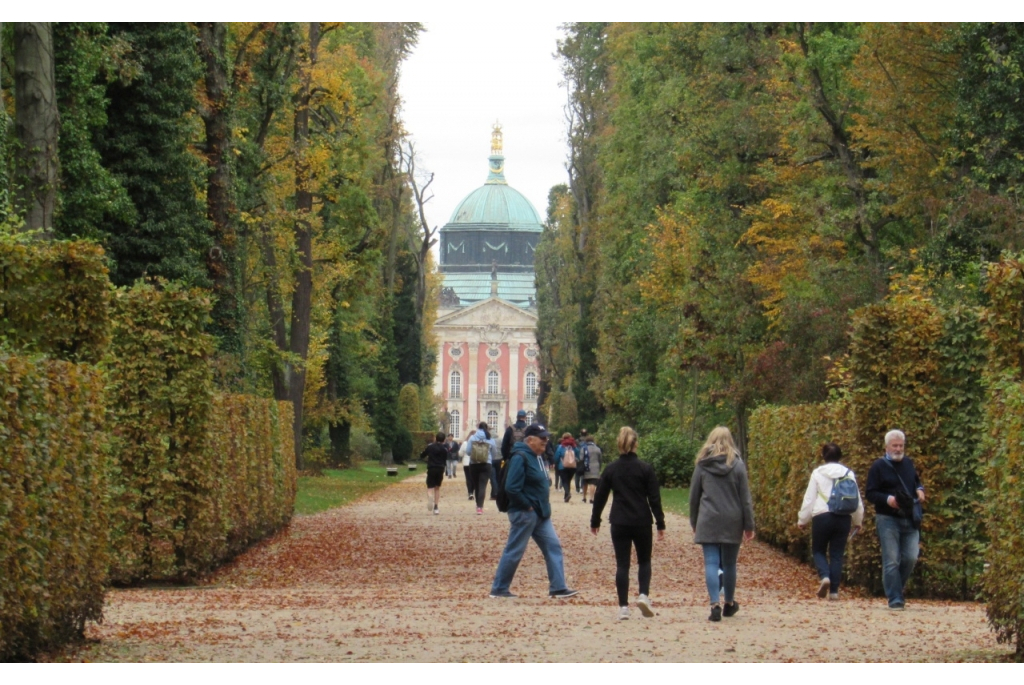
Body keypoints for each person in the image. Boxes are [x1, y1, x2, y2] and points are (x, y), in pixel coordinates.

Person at [489, 423, 579, 600]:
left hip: (540, 513)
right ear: (530, 440)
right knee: (515, 550)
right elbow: (511, 487)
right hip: (525, 513)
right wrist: (527, 505)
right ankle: (499, 588)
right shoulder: (520, 456)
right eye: (542, 438)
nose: (546, 441)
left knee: (553, 546)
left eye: (546, 437)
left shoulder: (537, 456)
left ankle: (558, 587)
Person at [590, 426, 665, 620]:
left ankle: (623, 606)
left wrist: (595, 519)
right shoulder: (645, 469)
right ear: (636, 444)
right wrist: (660, 523)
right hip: (641, 520)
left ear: (619, 445)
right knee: (644, 560)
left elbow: (600, 496)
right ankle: (643, 595)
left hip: (619, 520)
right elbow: (654, 498)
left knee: (622, 564)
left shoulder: (612, 469)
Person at [689, 426, 755, 622]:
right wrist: (749, 524)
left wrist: (694, 521)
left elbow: (694, 496)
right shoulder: (737, 465)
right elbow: (745, 499)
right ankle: (729, 603)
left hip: (708, 518)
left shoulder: (702, 465)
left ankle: (714, 603)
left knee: (710, 562)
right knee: (729, 563)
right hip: (732, 519)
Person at [865, 429, 925, 611]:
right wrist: (887, 499)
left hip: (909, 517)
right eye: (895, 446)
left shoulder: (908, 463)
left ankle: (895, 588)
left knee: (911, 557)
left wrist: (920, 490)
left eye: (901, 445)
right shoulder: (878, 466)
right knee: (891, 559)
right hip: (887, 518)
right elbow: (870, 492)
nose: (898, 449)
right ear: (887, 447)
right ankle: (895, 598)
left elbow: (916, 482)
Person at [797, 443, 864, 599]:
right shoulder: (848, 473)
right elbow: (856, 499)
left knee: (818, 550)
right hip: (843, 517)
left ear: (823, 456)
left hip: (822, 515)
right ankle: (834, 591)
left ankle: (825, 576)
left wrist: (803, 519)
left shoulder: (818, 473)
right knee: (837, 554)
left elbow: (809, 498)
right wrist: (858, 520)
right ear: (840, 456)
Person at [466, 422, 499, 515]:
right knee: (482, 485)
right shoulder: (490, 439)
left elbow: (468, 452)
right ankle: (480, 507)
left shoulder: (472, 437)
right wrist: (490, 458)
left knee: (476, 485)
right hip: (486, 464)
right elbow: (494, 452)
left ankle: (478, 505)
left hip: (474, 464)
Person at [420, 432, 449, 515]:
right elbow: (445, 459)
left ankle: (430, 497)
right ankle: (436, 507)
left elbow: (423, 455)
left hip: (431, 468)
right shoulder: (444, 449)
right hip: (440, 468)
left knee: (430, 487)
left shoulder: (430, 447)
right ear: (444, 440)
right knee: (437, 488)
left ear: (436, 439)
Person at [554, 432, 579, 503]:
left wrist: (556, 462)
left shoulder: (561, 446)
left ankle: (567, 493)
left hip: (563, 466)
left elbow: (557, 456)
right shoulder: (574, 446)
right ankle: (566, 496)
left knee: (564, 480)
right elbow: (578, 453)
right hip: (573, 466)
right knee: (568, 480)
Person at [579, 433, 603, 504]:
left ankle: (584, 497)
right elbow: (600, 459)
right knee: (593, 483)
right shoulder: (597, 449)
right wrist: (599, 467)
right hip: (595, 468)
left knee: (585, 482)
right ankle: (591, 498)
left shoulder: (584, 448)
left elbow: (581, 458)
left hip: (586, 467)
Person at [461, 430, 475, 500]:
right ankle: (473, 491)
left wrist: (464, 455)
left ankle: (470, 492)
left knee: (468, 478)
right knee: (474, 478)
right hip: (475, 463)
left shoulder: (465, 443)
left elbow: (460, 453)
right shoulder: (477, 443)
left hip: (466, 463)